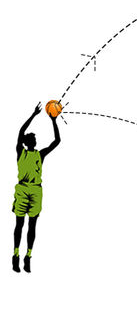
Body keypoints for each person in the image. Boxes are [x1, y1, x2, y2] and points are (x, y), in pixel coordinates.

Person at [12, 102, 61, 273]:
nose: (35, 140)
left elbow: (57, 141)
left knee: (32, 226)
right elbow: (20, 131)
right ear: (27, 142)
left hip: (36, 191)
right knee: (19, 224)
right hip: (23, 190)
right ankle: (16, 255)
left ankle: (28, 257)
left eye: (34, 139)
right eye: (32, 139)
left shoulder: (40, 155)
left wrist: (53, 121)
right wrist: (33, 115)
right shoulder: (21, 152)